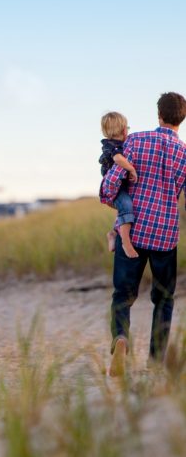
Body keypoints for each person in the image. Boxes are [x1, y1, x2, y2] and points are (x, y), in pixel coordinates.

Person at [101, 92, 186, 376]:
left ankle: (121, 339)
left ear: (159, 115)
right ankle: (156, 362)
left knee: (122, 296)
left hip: (133, 232)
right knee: (164, 299)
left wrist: (111, 197)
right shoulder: (184, 153)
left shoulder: (135, 140)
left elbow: (110, 184)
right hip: (165, 236)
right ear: (181, 119)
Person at [99, 112, 139, 258]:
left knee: (124, 209)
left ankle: (113, 234)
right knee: (126, 205)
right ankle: (126, 243)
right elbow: (118, 159)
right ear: (124, 130)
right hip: (114, 188)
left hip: (120, 186)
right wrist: (131, 168)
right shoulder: (112, 146)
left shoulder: (120, 144)